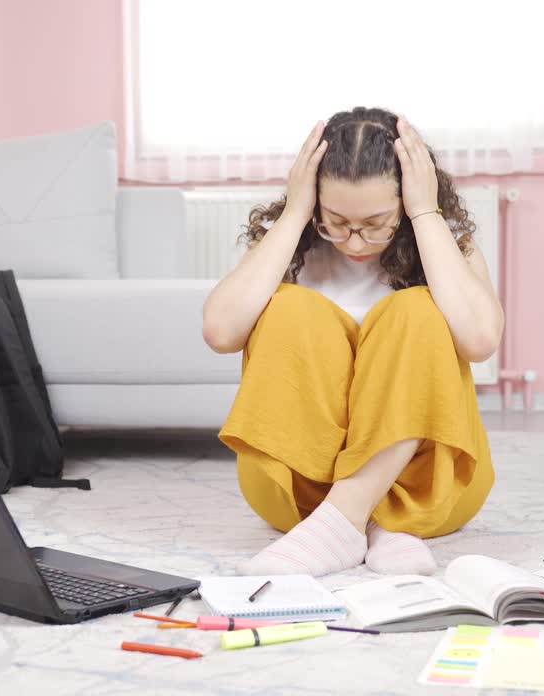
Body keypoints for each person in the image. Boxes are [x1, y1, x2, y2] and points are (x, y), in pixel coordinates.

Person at [201, 106, 504, 577]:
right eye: (336, 221)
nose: (356, 242)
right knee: (290, 308)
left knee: (417, 311)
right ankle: (365, 522)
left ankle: (345, 521)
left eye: (376, 223)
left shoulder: (442, 243)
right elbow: (220, 332)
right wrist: (297, 214)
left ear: (405, 201)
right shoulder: (294, 247)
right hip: (297, 493)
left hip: (430, 489)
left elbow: (481, 340)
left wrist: (426, 214)